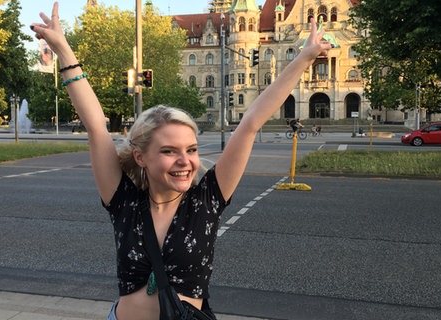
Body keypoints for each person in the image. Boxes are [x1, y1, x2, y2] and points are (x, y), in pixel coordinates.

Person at [31, 3, 332, 320]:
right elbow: (95, 127)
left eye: (191, 149)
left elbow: (251, 122)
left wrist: (304, 58)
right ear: (141, 157)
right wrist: (63, 50)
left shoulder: (207, 201)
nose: (185, 161)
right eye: (169, 151)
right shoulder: (123, 202)